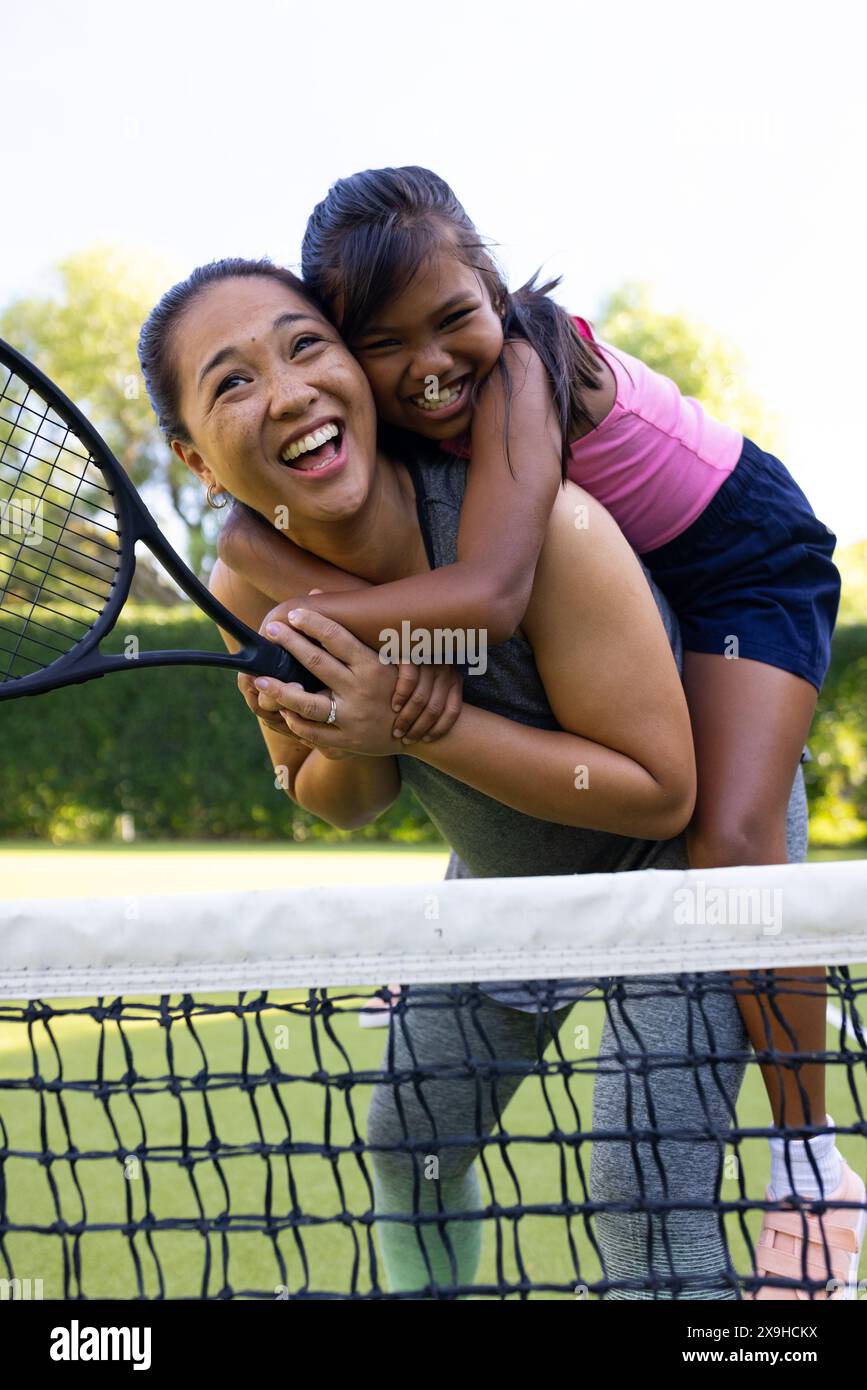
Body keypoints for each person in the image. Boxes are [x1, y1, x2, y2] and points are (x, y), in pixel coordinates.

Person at [137, 259, 861, 1299]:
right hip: (508, 885)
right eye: (233, 381)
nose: (288, 389)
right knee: (409, 1144)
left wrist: (416, 721)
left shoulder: (547, 526)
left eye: (305, 345)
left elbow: (662, 791)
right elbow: (346, 797)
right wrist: (342, 734)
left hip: (679, 852)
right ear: (193, 458)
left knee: (644, 1193)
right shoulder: (245, 586)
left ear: (353, 363)